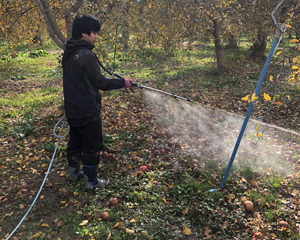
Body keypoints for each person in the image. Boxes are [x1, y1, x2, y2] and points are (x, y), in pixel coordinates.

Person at [62, 14, 132, 190]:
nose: (96, 36)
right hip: (88, 111)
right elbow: (100, 82)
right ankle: (91, 182)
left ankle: (73, 174)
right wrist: (122, 83)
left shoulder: (68, 52)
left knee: (75, 143)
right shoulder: (86, 55)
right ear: (83, 33)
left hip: (72, 110)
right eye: (94, 32)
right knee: (92, 146)